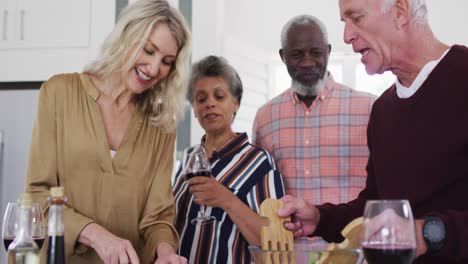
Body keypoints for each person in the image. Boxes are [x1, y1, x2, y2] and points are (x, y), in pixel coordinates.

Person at [278, 0, 468, 263]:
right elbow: (374, 207)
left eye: (356, 18)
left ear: (400, 11)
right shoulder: (383, 110)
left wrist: (427, 233)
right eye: (344, 22)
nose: (346, 36)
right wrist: (320, 218)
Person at [25, 0, 191, 263]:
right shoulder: (59, 93)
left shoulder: (161, 126)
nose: (153, 68)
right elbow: (37, 197)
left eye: (167, 61)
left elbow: (157, 218)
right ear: (126, 36)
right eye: (148, 50)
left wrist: (166, 252)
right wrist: (95, 235)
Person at [253, 15, 376, 205]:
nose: (307, 62)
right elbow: (261, 189)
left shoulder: (369, 109)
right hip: (289, 235)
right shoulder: (265, 118)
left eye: (316, 53)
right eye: (297, 54)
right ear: (282, 56)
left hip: (350, 234)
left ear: (328, 52)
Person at [172, 55, 285, 264]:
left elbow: (274, 240)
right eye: (201, 99)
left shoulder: (258, 161)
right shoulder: (188, 159)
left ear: (236, 103)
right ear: (194, 109)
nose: (210, 104)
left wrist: (226, 199)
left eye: (219, 96)